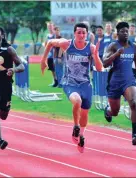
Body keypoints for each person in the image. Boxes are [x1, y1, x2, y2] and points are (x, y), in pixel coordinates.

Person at [41, 22, 103, 153]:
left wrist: (96, 55)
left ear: (87, 35)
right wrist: (43, 60)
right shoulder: (67, 44)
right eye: (78, 32)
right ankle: (75, 127)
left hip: (86, 85)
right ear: (74, 33)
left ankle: (81, 135)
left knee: (85, 114)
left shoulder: (91, 48)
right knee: (77, 101)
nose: (81, 35)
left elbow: (99, 68)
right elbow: (51, 42)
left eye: (83, 33)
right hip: (70, 83)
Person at [103, 22, 136, 146]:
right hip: (115, 81)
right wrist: (116, 54)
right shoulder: (113, 46)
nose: (125, 33)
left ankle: (135, 135)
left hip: (129, 80)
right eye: (122, 31)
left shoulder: (133, 46)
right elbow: (104, 63)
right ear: (117, 33)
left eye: (127, 31)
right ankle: (108, 110)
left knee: (133, 103)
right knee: (115, 111)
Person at [44, 21, 58, 87]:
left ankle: (58, 80)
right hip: (50, 55)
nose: (49, 28)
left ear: (53, 27)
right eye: (48, 27)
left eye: (50, 26)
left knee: (57, 68)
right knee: (52, 69)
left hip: (55, 55)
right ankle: (55, 80)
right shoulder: (48, 36)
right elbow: (45, 44)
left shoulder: (55, 35)